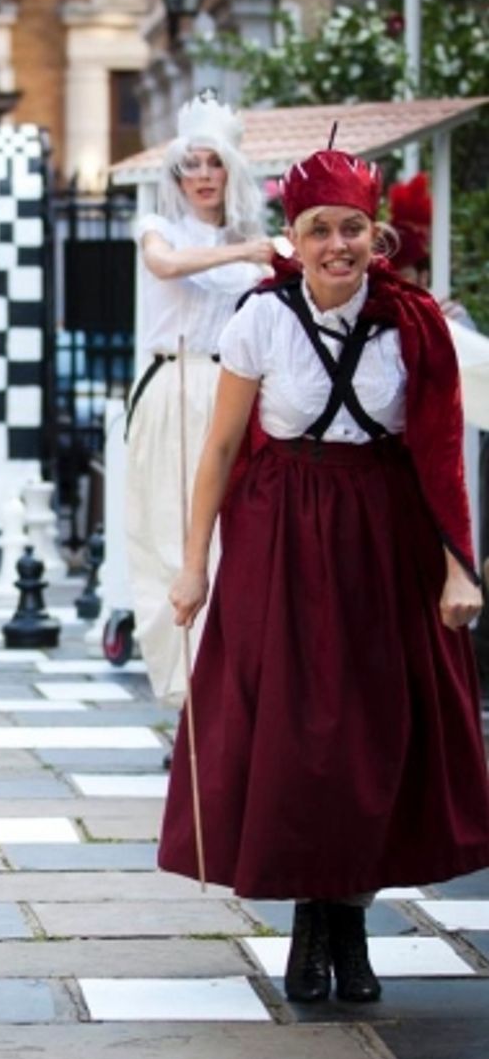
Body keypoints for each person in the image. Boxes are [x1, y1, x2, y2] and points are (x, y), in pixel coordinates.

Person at [160, 143, 489, 1005]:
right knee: (300, 740)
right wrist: (194, 565)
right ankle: (312, 917)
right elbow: (222, 449)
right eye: (319, 231)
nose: (337, 245)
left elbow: (444, 454)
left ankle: (351, 918)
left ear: (376, 237)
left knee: (374, 739)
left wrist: (463, 568)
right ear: (293, 240)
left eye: (352, 229)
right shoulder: (259, 321)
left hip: (386, 541)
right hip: (282, 540)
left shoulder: (416, 326)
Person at [126, 92, 275, 706]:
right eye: (193, 164)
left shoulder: (254, 239)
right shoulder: (160, 229)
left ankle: (229, 694)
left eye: (214, 163)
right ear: (177, 174)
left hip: (238, 393)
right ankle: (184, 691)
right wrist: (246, 253)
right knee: (171, 537)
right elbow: (164, 266)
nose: (204, 176)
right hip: (177, 386)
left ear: (230, 169)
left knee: (232, 542)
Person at [384, 172, 489, 431]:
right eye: (388, 275)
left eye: (403, 274)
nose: (395, 283)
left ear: (423, 276)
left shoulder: (453, 317)